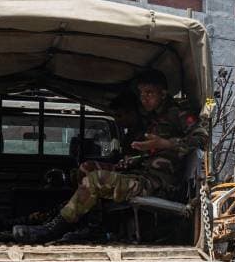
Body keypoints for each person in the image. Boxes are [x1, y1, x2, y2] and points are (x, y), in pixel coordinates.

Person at [25, 71, 207, 243]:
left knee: (96, 180)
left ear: (164, 93)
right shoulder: (154, 117)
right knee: (87, 168)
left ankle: (53, 230)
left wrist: (165, 144)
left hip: (158, 184)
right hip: (142, 173)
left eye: (150, 93)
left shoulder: (178, 113)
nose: (144, 98)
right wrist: (136, 157)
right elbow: (154, 153)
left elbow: (201, 136)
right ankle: (92, 225)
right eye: (142, 93)